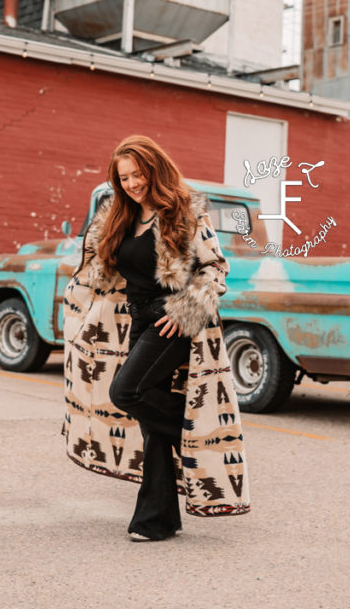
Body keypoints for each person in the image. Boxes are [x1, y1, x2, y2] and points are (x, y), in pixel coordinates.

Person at [62, 135, 250, 541]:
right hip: (137, 321)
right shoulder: (118, 215)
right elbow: (101, 269)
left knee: (125, 393)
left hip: (173, 322)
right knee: (150, 426)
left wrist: (187, 310)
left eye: (137, 173)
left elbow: (215, 267)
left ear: (154, 168)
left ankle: (196, 432)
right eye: (124, 177)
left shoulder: (183, 210)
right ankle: (157, 520)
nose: (131, 183)